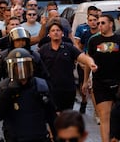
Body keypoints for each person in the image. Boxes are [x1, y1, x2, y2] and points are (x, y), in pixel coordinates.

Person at [0, 48, 57, 142]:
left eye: (24, 66)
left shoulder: (41, 86)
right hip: (15, 138)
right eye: (17, 66)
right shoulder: (4, 87)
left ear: (30, 66)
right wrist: (7, 94)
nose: (21, 69)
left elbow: (52, 116)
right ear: (12, 68)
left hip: (38, 138)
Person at [39, 21, 97, 112]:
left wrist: (91, 63)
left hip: (68, 89)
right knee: (54, 117)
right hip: (50, 89)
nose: (55, 32)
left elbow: (83, 58)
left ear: (62, 33)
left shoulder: (69, 48)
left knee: (66, 117)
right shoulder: (43, 50)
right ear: (49, 34)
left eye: (58, 30)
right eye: (53, 30)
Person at [84, 14, 120, 142]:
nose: (100, 25)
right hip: (100, 84)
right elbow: (88, 61)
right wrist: (85, 81)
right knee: (105, 117)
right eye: (98, 23)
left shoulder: (118, 39)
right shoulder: (93, 41)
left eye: (103, 23)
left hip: (118, 83)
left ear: (111, 24)